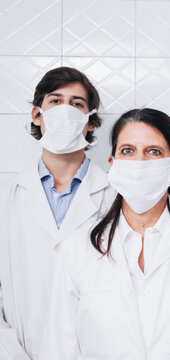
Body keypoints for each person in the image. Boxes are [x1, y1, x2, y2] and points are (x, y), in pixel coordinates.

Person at [39, 108, 170, 359]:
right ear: (112, 164)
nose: (139, 163)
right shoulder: (78, 249)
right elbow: (59, 348)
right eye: (127, 151)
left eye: (153, 152)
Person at [0, 67, 114, 359]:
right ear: (37, 115)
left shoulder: (116, 197)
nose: (66, 111)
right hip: (18, 350)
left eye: (77, 104)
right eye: (55, 101)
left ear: (90, 123)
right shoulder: (7, 195)